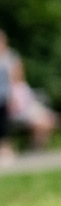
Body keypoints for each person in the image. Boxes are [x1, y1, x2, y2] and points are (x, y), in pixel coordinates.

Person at [0, 30, 16, 164]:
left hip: (5, 94)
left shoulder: (10, 56)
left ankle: (6, 148)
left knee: (4, 122)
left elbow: (14, 78)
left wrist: (13, 95)